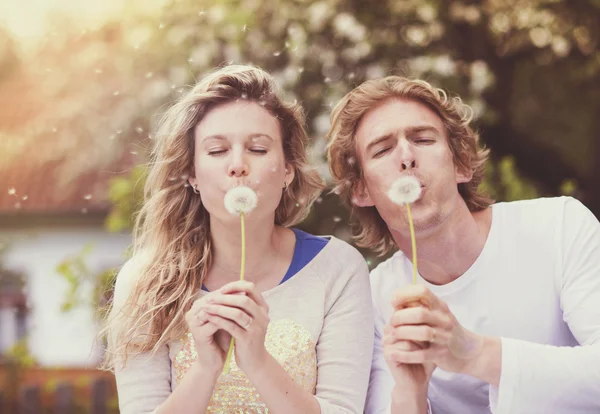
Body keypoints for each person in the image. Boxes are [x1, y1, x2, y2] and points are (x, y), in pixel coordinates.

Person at [103, 65, 373, 414]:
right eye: (216, 151)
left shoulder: (337, 268)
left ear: (288, 170)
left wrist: (258, 362)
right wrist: (206, 369)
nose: (237, 165)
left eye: (258, 149)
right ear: (192, 174)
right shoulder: (143, 283)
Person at [326, 76, 600, 413]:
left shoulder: (559, 226)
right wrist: (411, 393)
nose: (407, 156)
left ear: (461, 164)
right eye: (382, 149)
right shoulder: (372, 299)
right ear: (360, 191)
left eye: (423, 139)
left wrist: (474, 353)